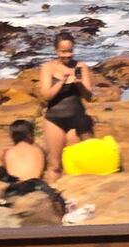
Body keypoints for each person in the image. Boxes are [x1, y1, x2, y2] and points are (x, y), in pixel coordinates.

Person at [37, 31, 95, 180]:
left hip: (77, 121)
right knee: (55, 166)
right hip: (54, 120)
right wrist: (62, 82)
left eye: (70, 51)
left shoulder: (80, 66)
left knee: (76, 165)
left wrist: (79, 84)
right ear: (56, 51)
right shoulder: (48, 68)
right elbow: (45, 96)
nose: (67, 55)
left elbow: (89, 97)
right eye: (63, 51)